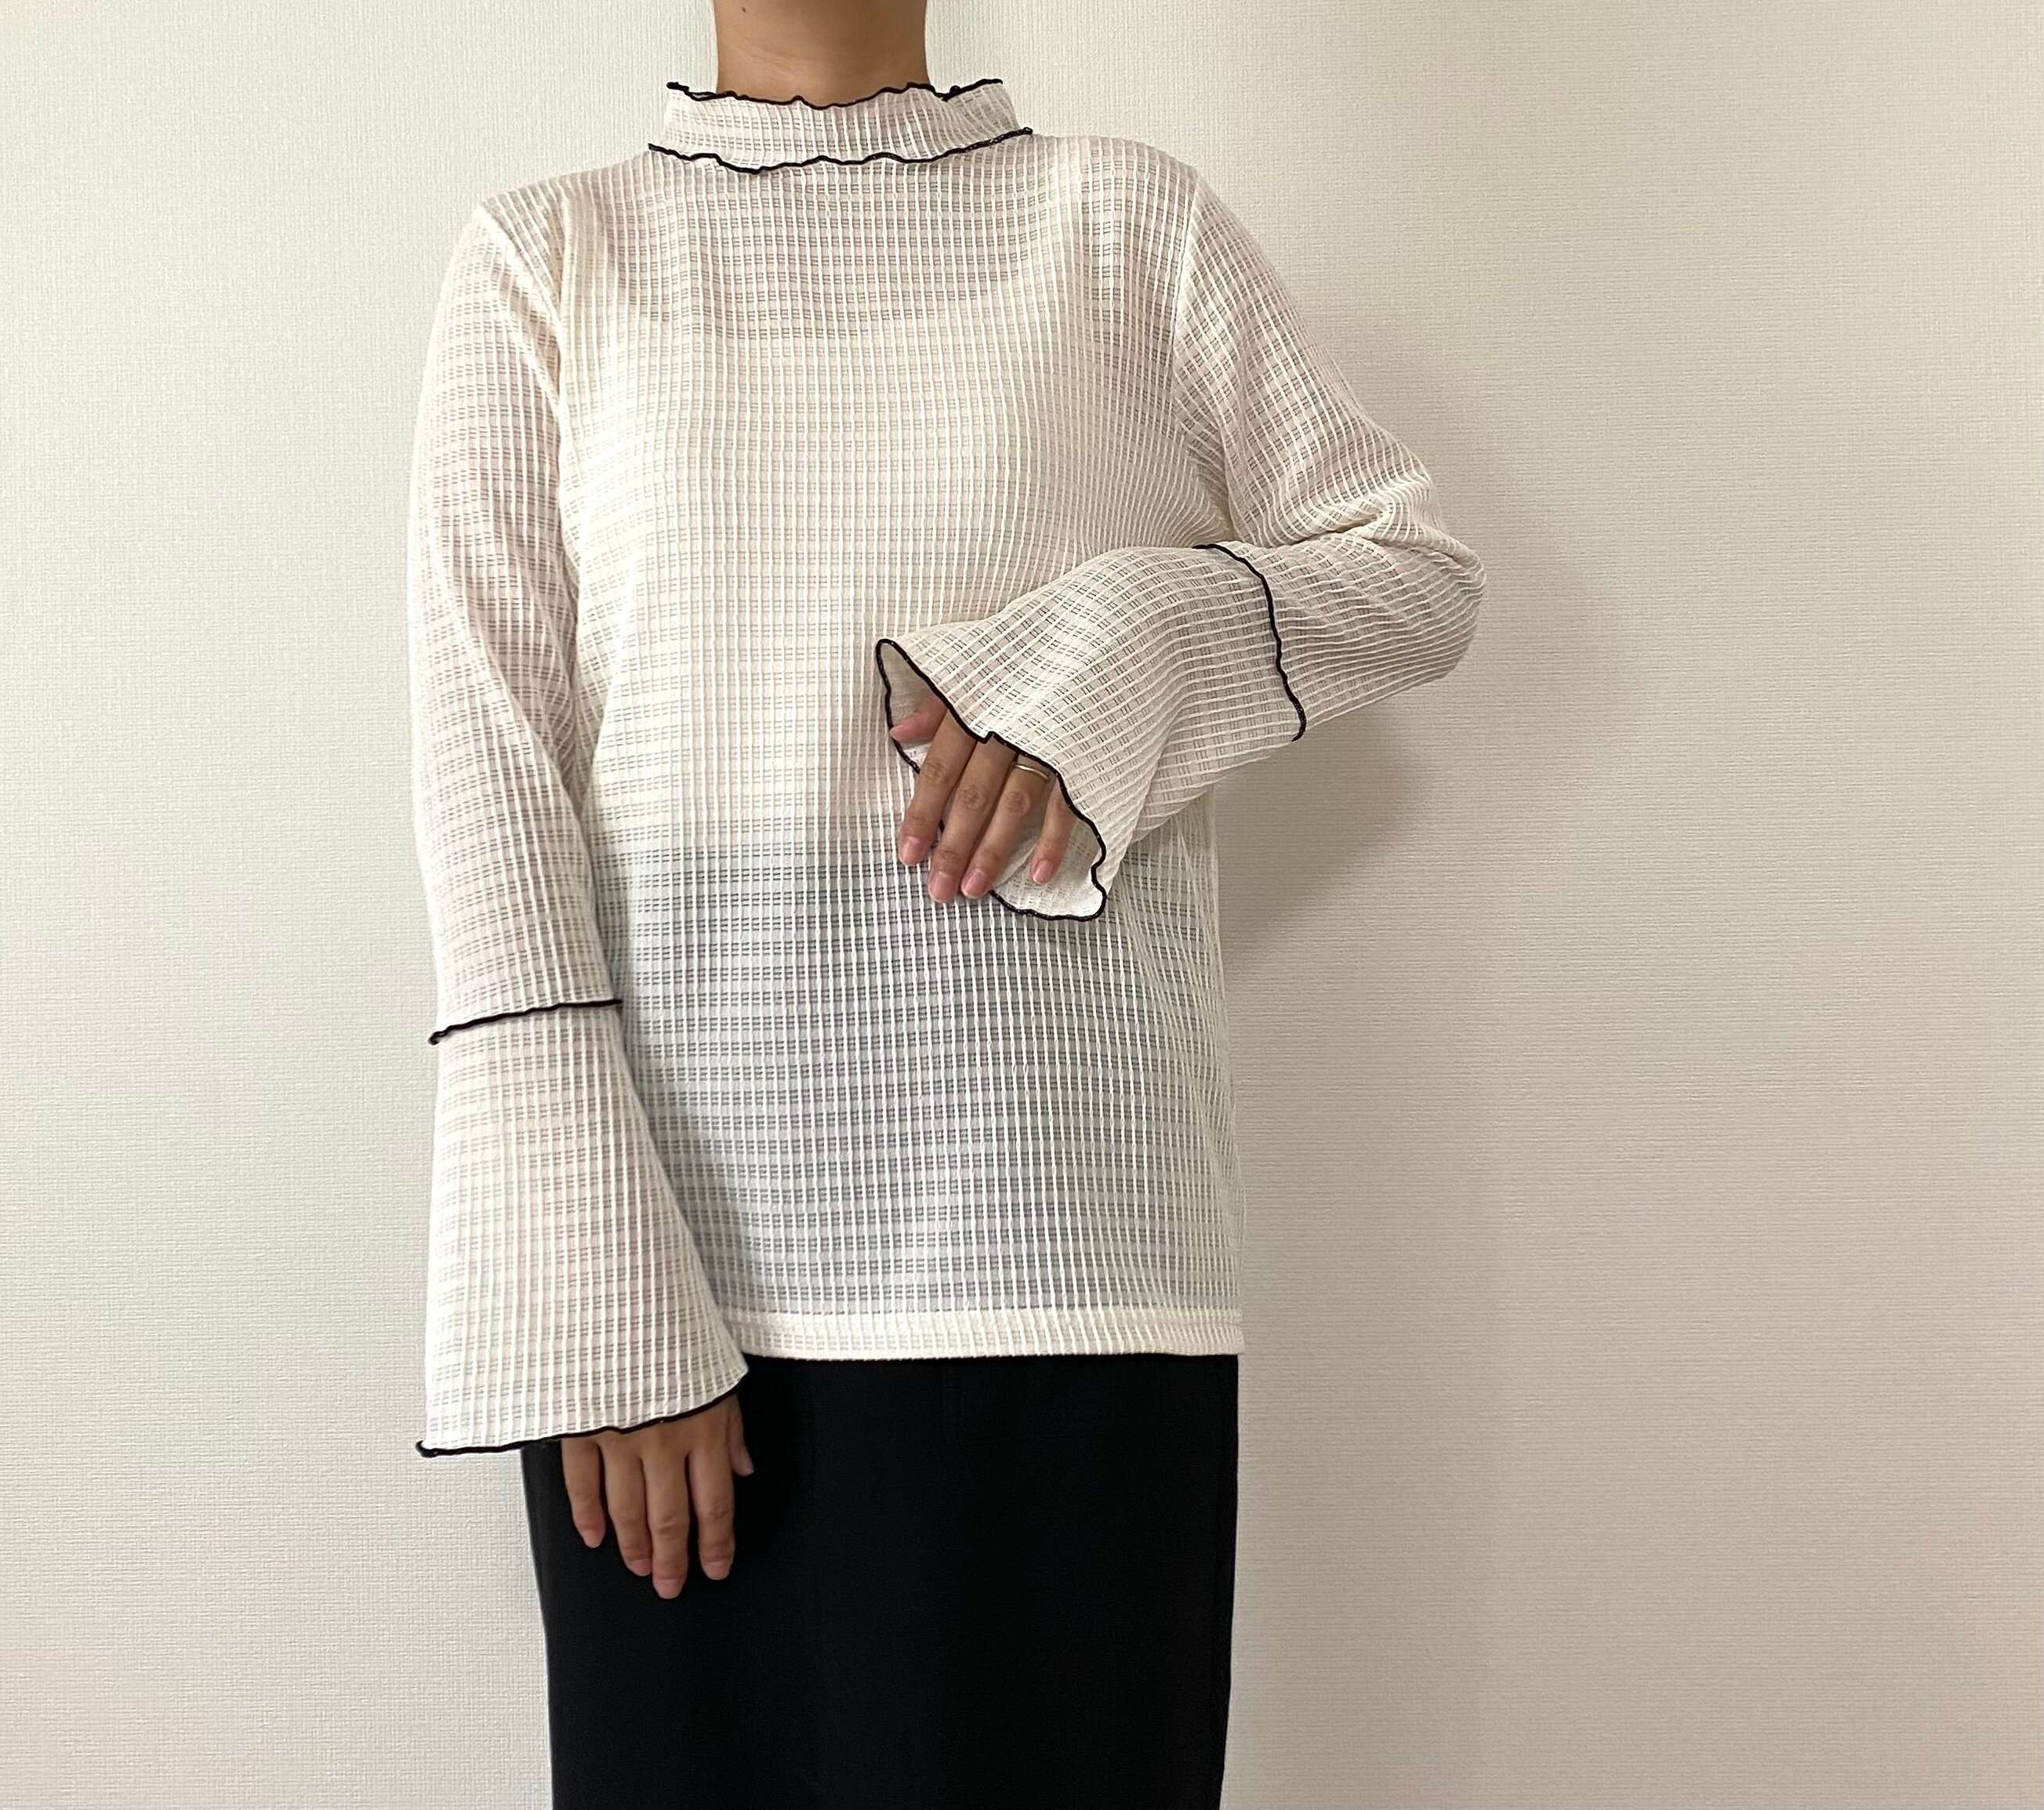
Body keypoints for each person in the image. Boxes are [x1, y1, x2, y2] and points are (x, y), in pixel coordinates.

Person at [402, 4, 1485, 1805]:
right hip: (677, 1318)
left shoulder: (1129, 227)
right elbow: (489, 800)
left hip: (1069, 1277)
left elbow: (1413, 578)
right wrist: (594, 1298)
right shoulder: (551, 260)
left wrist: (1120, 649)